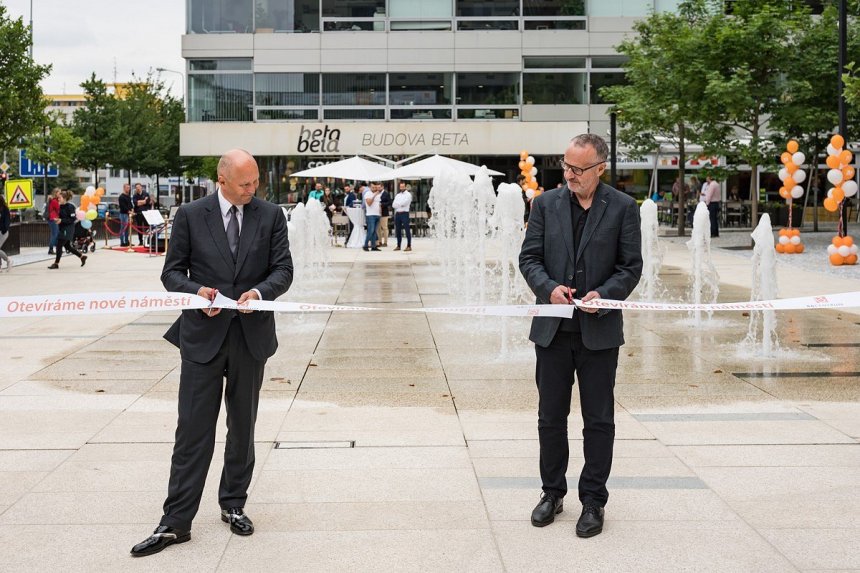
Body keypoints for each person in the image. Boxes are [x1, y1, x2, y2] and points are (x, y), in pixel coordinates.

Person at [130, 149, 293, 558]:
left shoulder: (270, 215)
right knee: (192, 431)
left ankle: (233, 503)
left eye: (255, 182)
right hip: (201, 337)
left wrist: (259, 293)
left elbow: (283, 270)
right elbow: (171, 273)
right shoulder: (190, 215)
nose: (252, 190)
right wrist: (195, 292)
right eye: (244, 183)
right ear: (221, 180)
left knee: (242, 426)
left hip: (250, 336)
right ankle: (175, 522)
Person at [519, 134, 642, 539]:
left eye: (578, 169)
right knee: (550, 418)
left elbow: (630, 267)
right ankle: (552, 493)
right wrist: (548, 287)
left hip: (599, 333)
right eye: (566, 166)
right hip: (552, 331)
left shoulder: (624, 208)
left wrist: (604, 296)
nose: (569, 174)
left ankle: (593, 501)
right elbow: (529, 258)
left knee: (599, 420)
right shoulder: (545, 204)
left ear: (600, 168)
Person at [48, 191, 87, 269]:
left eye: (60, 197)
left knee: (59, 245)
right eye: (58, 197)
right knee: (68, 246)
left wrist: (61, 220)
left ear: (65, 198)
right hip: (62, 228)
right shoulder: (58, 206)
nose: (58, 199)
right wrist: (57, 219)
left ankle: (56, 263)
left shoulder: (70, 207)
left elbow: (72, 219)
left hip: (68, 229)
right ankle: (82, 256)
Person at [392, 182, 412, 252]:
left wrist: (399, 204)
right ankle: (398, 245)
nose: (402, 188)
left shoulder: (408, 194)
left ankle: (409, 246)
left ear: (405, 187)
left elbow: (405, 203)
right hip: (398, 214)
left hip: (405, 214)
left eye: (403, 187)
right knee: (398, 230)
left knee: (407, 230)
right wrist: (400, 204)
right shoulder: (398, 195)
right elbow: (393, 205)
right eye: (401, 187)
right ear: (399, 187)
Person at [363, 182, 382, 252]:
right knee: (370, 231)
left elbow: (379, 204)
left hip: (377, 215)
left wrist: (380, 214)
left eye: (375, 187)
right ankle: (365, 245)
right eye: (373, 187)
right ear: (370, 187)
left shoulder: (378, 194)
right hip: (370, 215)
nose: (374, 189)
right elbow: (369, 203)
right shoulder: (368, 194)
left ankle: (374, 246)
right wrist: (374, 195)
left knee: (374, 231)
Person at [47, 188, 60, 255]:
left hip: (53, 218)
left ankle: (57, 248)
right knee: (54, 234)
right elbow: (58, 209)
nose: (60, 194)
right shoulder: (54, 201)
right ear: (56, 193)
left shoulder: (54, 200)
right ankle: (50, 249)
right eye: (59, 193)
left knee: (56, 234)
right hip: (53, 219)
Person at [0, 195, 11, 271]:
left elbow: (7, 221)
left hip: (3, 232)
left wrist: (4, 229)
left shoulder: (5, 209)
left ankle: (8, 260)